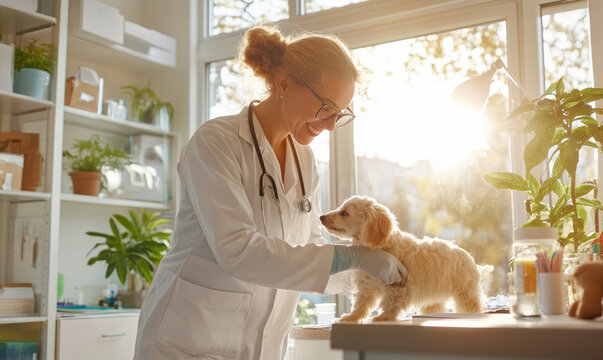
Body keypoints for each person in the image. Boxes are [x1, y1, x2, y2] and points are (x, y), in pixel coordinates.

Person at [133, 25, 407, 360]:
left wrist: (374, 267)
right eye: (325, 107)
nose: (331, 125)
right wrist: (353, 258)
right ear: (284, 84)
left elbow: (308, 249)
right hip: (188, 340)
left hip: (263, 344)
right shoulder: (216, 143)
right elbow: (238, 251)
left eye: (340, 114)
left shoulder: (304, 160)